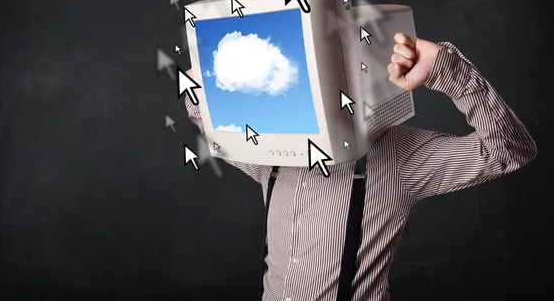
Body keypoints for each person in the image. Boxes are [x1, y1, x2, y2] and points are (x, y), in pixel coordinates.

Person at [184, 33, 537, 301]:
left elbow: (509, 151)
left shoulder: (397, 153)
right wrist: (205, 81)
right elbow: (212, 125)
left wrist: (447, 71)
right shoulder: (272, 150)